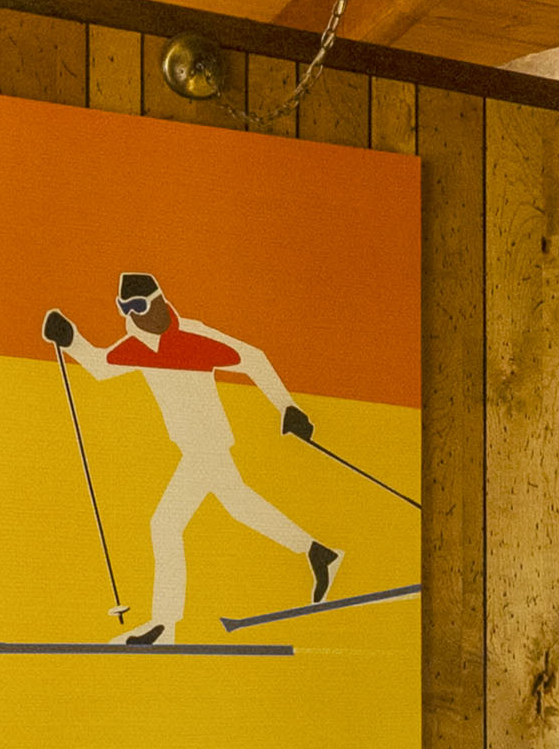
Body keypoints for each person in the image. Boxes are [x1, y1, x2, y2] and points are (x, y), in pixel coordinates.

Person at [41, 271, 337, 647]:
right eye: (125, 308)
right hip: (193, 447)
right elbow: (100, 367)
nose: (133, 316)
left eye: (140, 306)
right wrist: (69, 338)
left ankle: (165, 626)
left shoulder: (193, 337)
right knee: (238, 505)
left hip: (208, 443)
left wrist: (287, 407)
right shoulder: (137, 345)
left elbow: (253, 358)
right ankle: (317, 552)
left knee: (164, 524)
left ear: (160, 301)